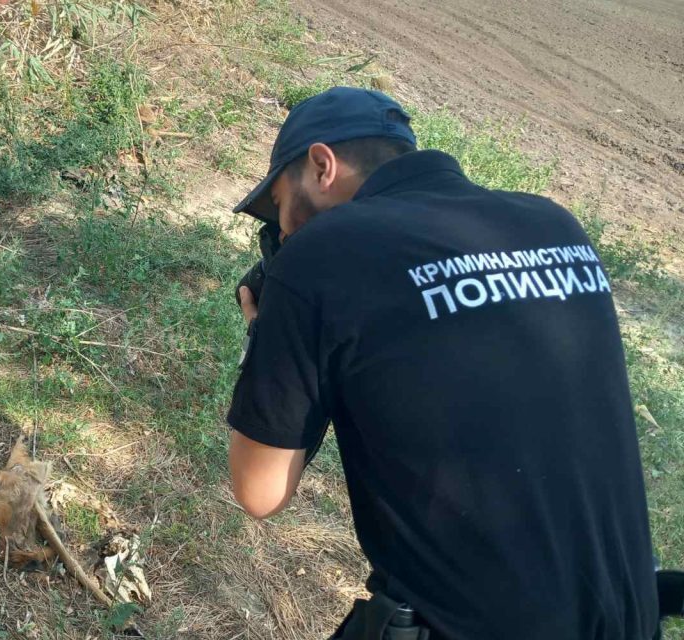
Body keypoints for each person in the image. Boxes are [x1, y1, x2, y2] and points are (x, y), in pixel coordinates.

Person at [225, 86, 660, 639]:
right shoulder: (556, 226)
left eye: (279, 207)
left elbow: (258, 491)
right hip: (631, 618)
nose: (281, 232)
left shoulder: (319, 254)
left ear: (321, 165)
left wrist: (265, 336)